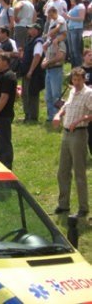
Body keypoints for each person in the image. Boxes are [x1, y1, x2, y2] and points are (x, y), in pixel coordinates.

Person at [53, 67, 92, 218]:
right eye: (74, 79)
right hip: (66, 133)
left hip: (79, 134)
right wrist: (58, 114)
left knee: (79, 172)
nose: (75, 82)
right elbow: (66, 106)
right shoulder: (71, 91)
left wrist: (80, 120)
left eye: (78, 80)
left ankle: (83, 207)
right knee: (62, 171)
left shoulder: (88, 94)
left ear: (84, 79)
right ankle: (64, 204)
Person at [0, 53, 17, 170]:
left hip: (3, 115)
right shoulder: (1, 76)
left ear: (5, 62)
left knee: (4, 142)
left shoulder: (8, 76)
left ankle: (7, 166)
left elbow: (4, 97)